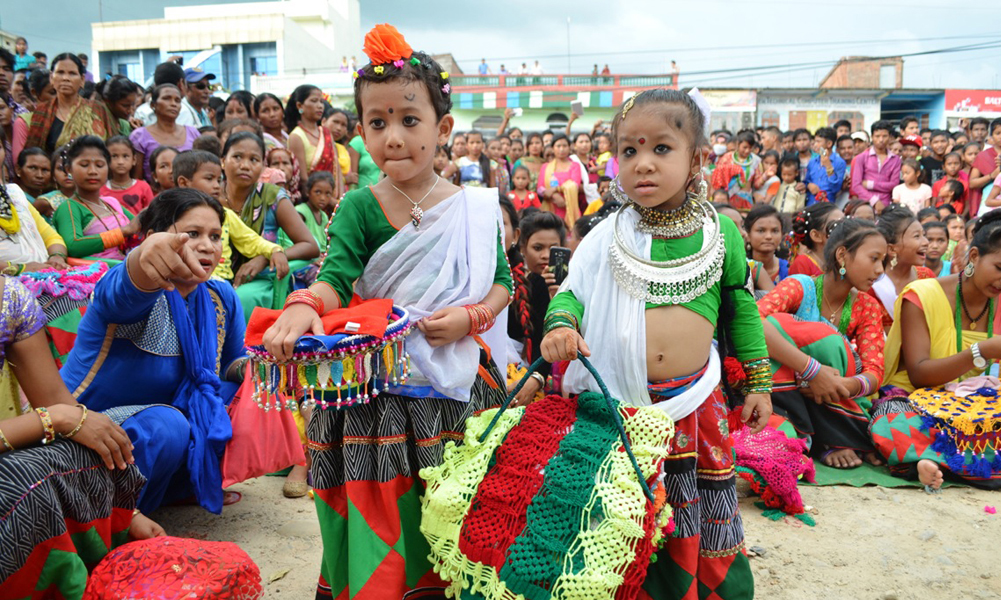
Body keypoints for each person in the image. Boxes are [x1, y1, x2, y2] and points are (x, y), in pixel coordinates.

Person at [261, 25, 511, 599]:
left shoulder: (473, 208)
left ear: (442, 128)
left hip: (454, 382)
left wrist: (471, 318)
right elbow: (334, 279)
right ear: (361, 131)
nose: (392, 137)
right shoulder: (358, 205)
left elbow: (502, 284)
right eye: (377, 123)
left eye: (409, 120)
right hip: (376, 392)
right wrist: (302, 305)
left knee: (456, 500)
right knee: (384, 506)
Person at [542, 88, 768, 599]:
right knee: (623, 511)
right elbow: (574, 292)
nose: (642, 164)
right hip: (620, 404)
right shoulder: (606, 236)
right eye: (629, 150)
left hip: (694, 403)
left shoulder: (721, 233)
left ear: (698, 159)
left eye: (661, 148)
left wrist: (758, 382)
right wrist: (561, 326)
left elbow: (741, 309)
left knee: (695, 507)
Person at [61, 188, 248, 515]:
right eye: (193, 234)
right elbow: (124, 289)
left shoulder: (221, 295)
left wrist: (257, 370)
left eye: (215, 236)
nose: (207, 245)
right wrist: (142, 259)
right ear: (153, 238)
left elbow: (231, 364)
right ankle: (114, 516)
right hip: (90, 427)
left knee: (243, 396)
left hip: (161, 427)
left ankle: (178, 487)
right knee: (168, 424)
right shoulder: (134, 287)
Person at [0, 276, 162, 597]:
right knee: (19, 482)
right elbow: (57, 414)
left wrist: (126, 512)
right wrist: (55, 418)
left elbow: (59, 405)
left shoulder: (9, 297)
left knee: (89, 445)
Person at [873, 211, 1001, 489]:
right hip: (915, 397)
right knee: (892, 416)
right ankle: (924, 458)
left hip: (978, 405)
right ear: (975, 256)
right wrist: (980, 351)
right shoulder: (922, 294)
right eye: (999, 268)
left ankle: (940, 458)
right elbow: (919, 374)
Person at [757, 218, 887, 468]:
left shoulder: (867, 306)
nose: (880, 269)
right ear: (842, 255)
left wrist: (841, 385)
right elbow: (754, 324)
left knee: (836, 349)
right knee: (781, 325)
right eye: (874, 259)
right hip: (788, 388)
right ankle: (822, 437)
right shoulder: (799, 287)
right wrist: (812, 371)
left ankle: (828, 438)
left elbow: (875, 371)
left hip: (833, 396)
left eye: (883, 261)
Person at [219, 132, 317, 318]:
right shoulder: (210, 197)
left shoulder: (272, 196)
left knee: (240, 299)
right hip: (213, 275)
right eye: (237, 157)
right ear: (223, 161)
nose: (245, 165)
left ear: (263, 167)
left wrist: (266, 256)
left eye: (254, 159)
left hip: (261, 280)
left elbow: (310, 246)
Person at [172, 149, 286, 285]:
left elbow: (250, 240)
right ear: (184, 183)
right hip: (180, 281)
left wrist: (275, 250)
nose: (216, 186)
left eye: (219, 180)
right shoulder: (171, 213)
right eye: (209, 179)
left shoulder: (224, 214)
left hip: (219, 282)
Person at [507, 209, 565, 403]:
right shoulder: (515, 282)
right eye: (538, 248)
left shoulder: (571, 285)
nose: (545, 256)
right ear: (522, 248)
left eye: (553, 249)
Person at [52, 136, 140, 261]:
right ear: (69, 169)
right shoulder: (69, 207)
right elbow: (73, 245)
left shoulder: (111, 202)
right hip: (101, 270)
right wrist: (123, 232)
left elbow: (137, 224)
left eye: (99, 165)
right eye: (84, 165)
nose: (93, 171)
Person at [25, 53, 119, 155]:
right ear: (51, 78)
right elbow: (33, 154)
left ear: (82, 80)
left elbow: (114, 148)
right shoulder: (42, 112)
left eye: (72, 73)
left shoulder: (98, 110)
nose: (66, 78)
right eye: (60, 72)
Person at [0, 136, 69, 274]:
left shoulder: (14, 194)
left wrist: (57, 257)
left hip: (39, 274)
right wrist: (20, 268)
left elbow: (51, 236)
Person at [868, 205, 933, 330]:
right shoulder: (872, 284)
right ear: (892, 249)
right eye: (917, 236)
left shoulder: (927, 277)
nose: (926, 242)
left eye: (923, 235)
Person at [129, 84, 200, 182]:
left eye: (177, 100)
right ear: (153, 105)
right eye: (167, 98)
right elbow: (136, 179)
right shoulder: (139, 136)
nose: (173, 104)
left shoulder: (193, 133)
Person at [286, 85, 338, 190]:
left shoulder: (326, 133)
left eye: (321, 102)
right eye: (314, 101)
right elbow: (303, 178)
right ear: (300, 106)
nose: (320, 106)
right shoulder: (296, 136)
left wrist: (339, 196)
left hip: (333, 194)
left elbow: (337, 169)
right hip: (311, 195)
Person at [851, 120, 901, 212]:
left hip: (887, 204)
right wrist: (874, 201)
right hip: (865, 204)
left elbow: (894, 184)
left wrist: (870, 184)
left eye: (884, 136)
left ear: (890, 137)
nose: (881, 140)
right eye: (877, 136)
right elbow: (856, 185)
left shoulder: (896, 159)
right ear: (872, 137)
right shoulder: (861, 158)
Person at [538, 132, 584, 230]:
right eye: (558, 146)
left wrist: (555, 189)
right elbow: (540, 188)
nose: (561, 149)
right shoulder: (546, 167)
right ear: (552, 148)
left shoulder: (575, 166)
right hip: (551, 209)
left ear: (569, 147)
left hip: (569, 209)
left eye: (564, 146)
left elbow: (574, 185)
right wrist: (555, 196)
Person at [101, 135, 154, 213]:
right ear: (106, 159)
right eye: (114, 156)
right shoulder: (101, 190)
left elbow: (152, 213)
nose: (120, 162)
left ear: (134, 160)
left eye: (125, 156)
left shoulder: (143, 187)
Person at [788, 202, 843, 276]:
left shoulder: (841, 259)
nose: (844, 230)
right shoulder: (802, 264)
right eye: (835, 226)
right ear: (816, 236)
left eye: (845, 223)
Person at [712, 129, 760, 210]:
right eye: (745, 147)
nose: (747, 151)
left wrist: (766, 176)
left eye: (750, 148)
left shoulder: (755, 160)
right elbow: (718, 178)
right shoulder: (727, 158)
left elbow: (757, 184)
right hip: (728, 197)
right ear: (738, 145)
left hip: (745, 200)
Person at [802, 127, 846, 205]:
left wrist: (828, 166)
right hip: (811, 204)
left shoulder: (839, 162)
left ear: (829, 144)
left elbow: (835, 188)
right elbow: (806, 181)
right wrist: (808, 185)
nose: (815, 145)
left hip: (827, 206)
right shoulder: (812, 162)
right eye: (815, 141)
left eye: (818, 142)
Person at [745, 204, 788, 283]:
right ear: (748, 235)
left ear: (782, 235)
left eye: (775, 231)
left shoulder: (788, 270)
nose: (769, 236)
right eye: (761, 231)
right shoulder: (741, 269)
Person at [969, 118, 1001, 217]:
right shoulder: (983, 156)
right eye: (998, 133)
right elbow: (972, 183)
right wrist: (992, 175)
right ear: (991, 136)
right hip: (988, 206)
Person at [34, 144, 74, 220]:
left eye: (71, 168)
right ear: (53, 174)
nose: (66, 173)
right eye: (60, 168)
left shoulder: (92, 200)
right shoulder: (45, 202)